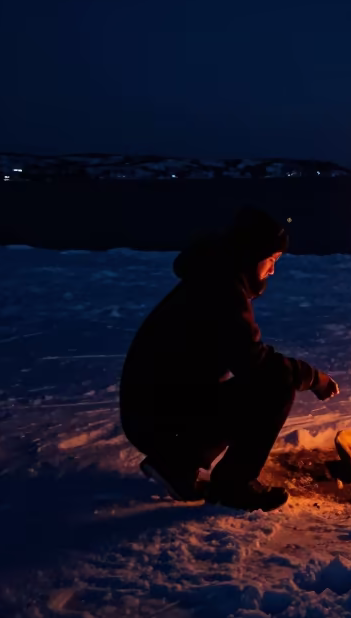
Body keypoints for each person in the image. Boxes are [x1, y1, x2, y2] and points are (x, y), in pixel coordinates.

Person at [120, 206, 339, 511]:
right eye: (272, 260)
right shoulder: (221, 289)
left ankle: (176, 465)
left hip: (153, 412)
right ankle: (234, 486)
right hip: (158, 417)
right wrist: (312, 377)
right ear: (253, 255)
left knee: (260, 383)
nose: (273, 270)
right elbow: (255, 364)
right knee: (277, 384)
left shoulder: (212, 278)